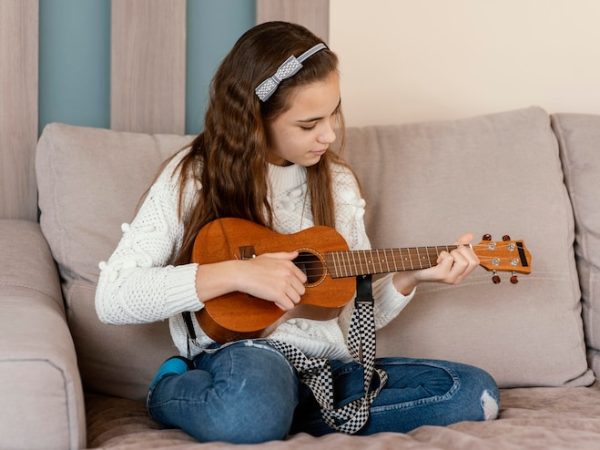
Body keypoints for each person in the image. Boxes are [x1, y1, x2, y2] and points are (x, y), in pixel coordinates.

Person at [95, 21, 499, 444]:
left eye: (334, 113)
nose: (330, 135)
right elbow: (114, 297)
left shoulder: (338, 184)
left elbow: (343, 309)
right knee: (254, 397)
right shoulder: (194, 177)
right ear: (255, 121)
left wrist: (412, 277)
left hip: (326, 369)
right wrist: (237, 273)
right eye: (309, 124)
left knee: (473, 393)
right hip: (246, 358)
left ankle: (280, 413)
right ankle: (172, 389)